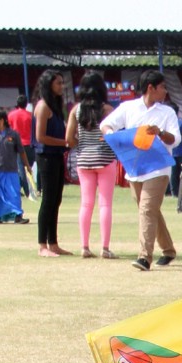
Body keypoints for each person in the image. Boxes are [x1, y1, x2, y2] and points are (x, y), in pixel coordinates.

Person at [101, 69, 180, 270]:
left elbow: (176, 139)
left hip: (159, 167)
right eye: (162, 87)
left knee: (146, 209)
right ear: (151, 88)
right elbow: (106, 124)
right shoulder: (129, 107)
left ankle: (145, 257)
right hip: (135, 168)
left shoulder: (167, 112)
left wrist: (160, 133)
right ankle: (169, 249)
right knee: (150, 210)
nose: (165, 91)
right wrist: (114, 136)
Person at [66, 69, 119, 258]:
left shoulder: (76, 110)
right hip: (105, 159)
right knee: (105, 204)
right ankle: (105, 247)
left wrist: (81, 140)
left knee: (86, 204)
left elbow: (69, 139)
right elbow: (114, 137)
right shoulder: (107, 110)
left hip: (84, 160)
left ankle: (84, 246)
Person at [33, 70, 71, 256]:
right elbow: (40, 137)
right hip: (46, 156)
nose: (61, 87)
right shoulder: (43, 106)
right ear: (49, 85)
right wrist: (64, 142)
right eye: (58, 83)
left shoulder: (55, 106)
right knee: (48, 199)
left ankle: (53, 243)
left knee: (56, 199)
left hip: (56, 155)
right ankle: (42, 245)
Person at [8, 94, 35, 198]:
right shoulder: (31, 116)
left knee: (20, 169)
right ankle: (22, 189)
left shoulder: (11, 115)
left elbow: (8, 130)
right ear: (26, 104)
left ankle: (25, 190)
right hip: (30, 144)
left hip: (16, 144)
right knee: (28, 166)